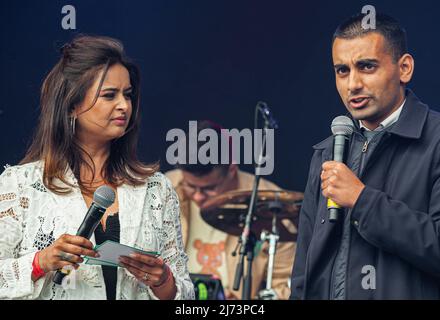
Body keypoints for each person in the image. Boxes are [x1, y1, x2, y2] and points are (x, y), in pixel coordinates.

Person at [0, 35, 194, 300]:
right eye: (109, 95)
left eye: (128, 95)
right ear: (71, 106)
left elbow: (185, 295)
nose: (124, 105)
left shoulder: (157, 189)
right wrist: (40, 262)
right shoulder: (19, 185)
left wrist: (163, 282)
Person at [290, 12, 440, 299]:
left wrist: (362, 200)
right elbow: (304, 269)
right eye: (342, 71)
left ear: (404, 68)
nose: (352, 84)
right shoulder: (327, 152)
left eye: (366, 67)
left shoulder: (435, 141)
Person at [166, 120, 296, 299]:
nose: (197, 196)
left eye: (209, 189)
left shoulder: (274, 206)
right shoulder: (165, 190)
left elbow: (286, 284)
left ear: (232, 169)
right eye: (190, 186)